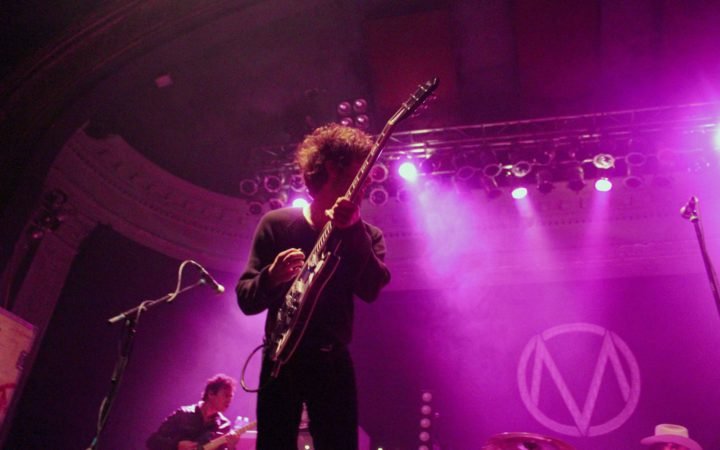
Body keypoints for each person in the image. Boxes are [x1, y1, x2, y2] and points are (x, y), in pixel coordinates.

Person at [236, 123, 391, 450]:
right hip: (280, 360)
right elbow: (247, 299)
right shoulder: (277, 224)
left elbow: (371, 289)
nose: (368, 179)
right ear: (332, 167)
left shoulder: (368, 235)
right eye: (361, 169)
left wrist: (353, 230)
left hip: (332, 361)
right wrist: (271, 277)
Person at [146, 374, 240, 450]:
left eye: (231, 396)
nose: (229, 400)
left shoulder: (224, 425)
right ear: (211, 394)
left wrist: (231, 447)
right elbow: (153, 441)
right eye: (226, 395)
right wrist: (177, 445)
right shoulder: (183, 414)